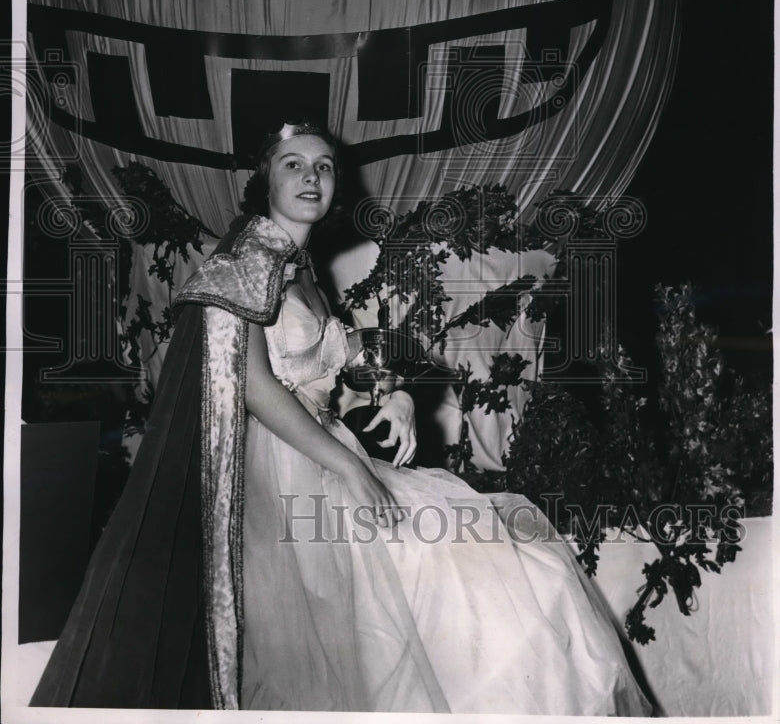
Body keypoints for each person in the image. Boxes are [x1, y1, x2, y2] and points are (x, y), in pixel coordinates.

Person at [32, 120, 651, 714]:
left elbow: (343, 365)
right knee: (489, 588)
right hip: (290, 478)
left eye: (323, 166)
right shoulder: (245, 264)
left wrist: (399, 393)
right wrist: (352, 473)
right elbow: (253, 386)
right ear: (263, 181)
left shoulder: (298, 267)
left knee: (503, 585)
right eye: (292, 165)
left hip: (327, 459)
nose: (311, 176)